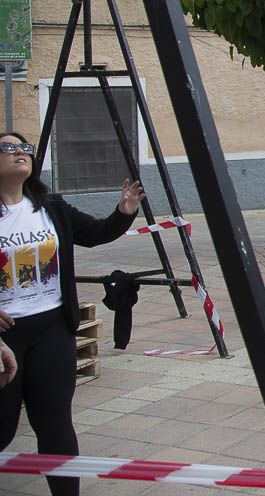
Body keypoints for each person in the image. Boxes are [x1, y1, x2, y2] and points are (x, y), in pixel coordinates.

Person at [0, 131, 145, 496]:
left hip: (52, 328)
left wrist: (123, 213)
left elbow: (96, 233)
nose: (19, 153)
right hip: (5, 336)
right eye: (7, 147)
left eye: (24, 148)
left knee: (55, 425)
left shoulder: (52, 208)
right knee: (2, 429)